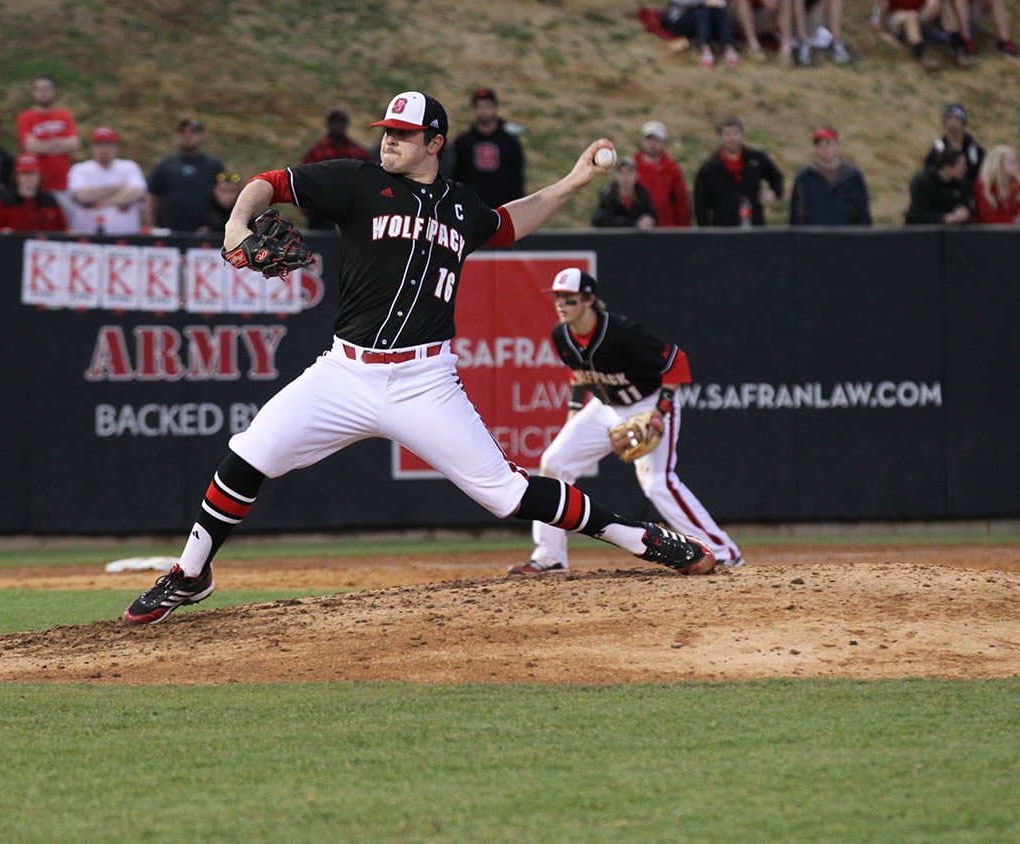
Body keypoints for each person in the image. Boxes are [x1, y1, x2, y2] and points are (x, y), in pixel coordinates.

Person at [121, 90, 718, 625]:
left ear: (434, 142)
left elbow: (507, 224)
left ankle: (641, 539)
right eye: (387, 131)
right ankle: (191, 573)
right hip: (345, 372)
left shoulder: (460, 206)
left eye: (404, 134)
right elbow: (269, 183)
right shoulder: (356, 181)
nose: (390, 140)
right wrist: (235, 224)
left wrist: (570, 184)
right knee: (248, 453)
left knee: (507, 495)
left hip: (423, 380)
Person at [511, 267, 743, 574]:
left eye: (568, 299)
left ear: (588, 300)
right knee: (554, 461)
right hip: (606, 406)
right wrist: (573, 416)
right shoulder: (561, 335)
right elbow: (579, 375)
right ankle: (549, 556)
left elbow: (676, 362)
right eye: (557, 298)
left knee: (658, 482)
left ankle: (724, 551)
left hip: (649, 403)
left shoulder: (621, 332)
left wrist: (660, 413)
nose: (560, 305)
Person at [691, 116, 784, 227]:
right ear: (719, 137)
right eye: (727, 135)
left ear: (742, 135)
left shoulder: (757, 159)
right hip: (724, 230)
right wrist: (706, 234)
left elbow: (777, 178)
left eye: (735, 134)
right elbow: (700, 205)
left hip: (755, 226)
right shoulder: (709, 168)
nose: (732, 139)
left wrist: (773, 193)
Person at [145, 117, 227, 233]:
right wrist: (152, 227)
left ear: (202, 136)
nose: (188, 136)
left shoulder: (213, 166)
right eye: (184, 132)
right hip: (168, 232)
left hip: (202, 233)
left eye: (193, 132)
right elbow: (151, 197)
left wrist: (215, 225)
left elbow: (225, 198)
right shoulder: (165, 164)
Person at [15, 74, 80, 219]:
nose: (43, 93)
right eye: (39, 89)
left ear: (54, 91)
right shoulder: (26, 117)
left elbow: (74, 144)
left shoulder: (64, 115)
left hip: (63, 185)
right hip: (37, 187)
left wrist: (43, 145)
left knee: (65, 225)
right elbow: (30, 146)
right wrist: (58, 142)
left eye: (47, 89)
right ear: (33, 92)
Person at [450, 87, 526, 207]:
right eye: (479, 107)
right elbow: (456, 175)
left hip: (502, 208)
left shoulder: (509, 142)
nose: (483, 111)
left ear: (496, 108)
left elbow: (516, 178)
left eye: (487, 106)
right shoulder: (463, 142)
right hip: (472, 208)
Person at [298, 105, 371, 228]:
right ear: (328, 123)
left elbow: (368, 180)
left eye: (341, 121)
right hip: (321, 212)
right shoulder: (316, 152)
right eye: (334, 121)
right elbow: (303, 181)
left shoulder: (357, 152)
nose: (337, 125)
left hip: (352, 211)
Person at [66, 126, 146, 235]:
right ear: (92, 147)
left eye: (108, 145)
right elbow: (82, 195)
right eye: (99, 145)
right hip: (87, 236)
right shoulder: (80, 169)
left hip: (126, 237)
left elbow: (136, 192)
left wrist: (101, 202)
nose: (103, 149)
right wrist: (118, 188)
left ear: (116, 147)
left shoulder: (129, 167)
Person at [788, 126, 872, 226]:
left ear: (837, 146)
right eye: (820, 145)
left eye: (829, 144)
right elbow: (797, 214)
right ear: (815, 149)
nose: (825, 149)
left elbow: (862, 212)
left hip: (847, 237)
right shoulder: (804, 177)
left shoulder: (853, 176)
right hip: (813, 238)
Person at [0, 155, 67, 233]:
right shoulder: (5, 201)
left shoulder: (49, 201)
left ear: (40, 176)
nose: (28, 177)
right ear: (16, 177)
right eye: (24, 173)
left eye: (32, 173)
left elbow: (62, 229)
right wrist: (2, 232)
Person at [633, 120, 692, 227]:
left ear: (664, 142)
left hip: (667, 230)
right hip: (638, 230)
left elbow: (681, 203)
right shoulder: (631, 167)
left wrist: (684, 232)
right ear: (642, 141)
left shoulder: (673, 169)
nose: (652, 144)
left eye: (657, 140)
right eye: (649, 139)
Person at [662, 0, 741, 68]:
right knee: (704, 11)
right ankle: (705, 49)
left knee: (718, 9)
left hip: (699, 16)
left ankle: (728, 48)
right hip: (679, 16)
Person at [903, 148, 972, 225]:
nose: (966, 169)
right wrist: (946, 218)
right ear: (947, 167)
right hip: (920, 231)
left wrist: (963, 213)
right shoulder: (922, 182)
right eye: (962, 165)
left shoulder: (962, 182)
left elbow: (966, 205)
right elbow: (920, 214)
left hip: (951, 231)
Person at [924, 102, 986, 186]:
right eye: (949, 119)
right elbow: (929, 173)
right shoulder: (938, 149)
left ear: (963, 122)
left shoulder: (974, 150)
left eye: (957, 119)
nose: (953, 123)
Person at [973, 145, 1020, 224]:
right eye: (1011, 162)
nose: (1016, 166)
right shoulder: (984, 185)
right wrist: (1013, 220)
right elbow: (987, 217)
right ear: (998, 165)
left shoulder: (1019, 185)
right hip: (991, 234)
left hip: (1016, 233)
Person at [873, 0, 944, 70]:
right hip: (895, 16)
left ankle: (948, 37)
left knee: (939, 4)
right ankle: (920, 52)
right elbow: (879, 9)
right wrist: (884, 30)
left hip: (917, 14)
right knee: (910, 16)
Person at [591, 157, 657, 228]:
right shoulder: (608, 195)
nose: (626, 178)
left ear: (636, 175)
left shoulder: (642, 195)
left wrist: (648, 220)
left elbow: (652, 215)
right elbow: (600, 219)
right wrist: (633, 224)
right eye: (622, 173)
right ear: (616, 176)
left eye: (630, 173)